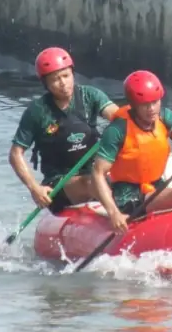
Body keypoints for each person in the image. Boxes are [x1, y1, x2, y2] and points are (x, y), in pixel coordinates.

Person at [91, 70, 172, 233]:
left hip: (156, 187)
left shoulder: (164, 116)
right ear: (133, 104)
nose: (151, 109)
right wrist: (114, 213)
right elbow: (98, 173)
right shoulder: (117, 130)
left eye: (155, 102)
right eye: (144, 104)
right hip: (128, 197)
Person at [9, 47, 119, 214]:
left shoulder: (90, 95)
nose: (63, 83)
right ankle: (118, 215)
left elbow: (117, 115)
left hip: (95, 171)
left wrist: (120, 123)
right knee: (90, 182)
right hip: (59, 182)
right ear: (45, 83)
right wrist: (34, 188)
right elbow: (15, 154)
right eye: (55, 80)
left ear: (73, 74)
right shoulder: (37, 111)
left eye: (66, 76)